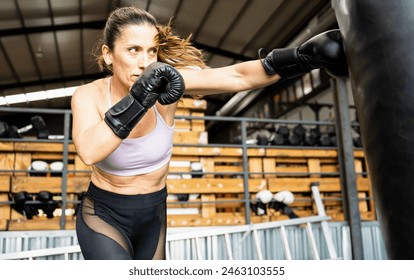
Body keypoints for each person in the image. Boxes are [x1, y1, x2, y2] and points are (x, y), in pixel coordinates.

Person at [71, 6, 347, 260]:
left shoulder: (168, 82)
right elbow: (89, 151)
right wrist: (139, 99)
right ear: (108, 54)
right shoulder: (87, 96)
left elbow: (237, 76)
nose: (145, 63)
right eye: (133, 50)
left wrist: (303, 57)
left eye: (151, 51)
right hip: (104, 215)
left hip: (154, 213)